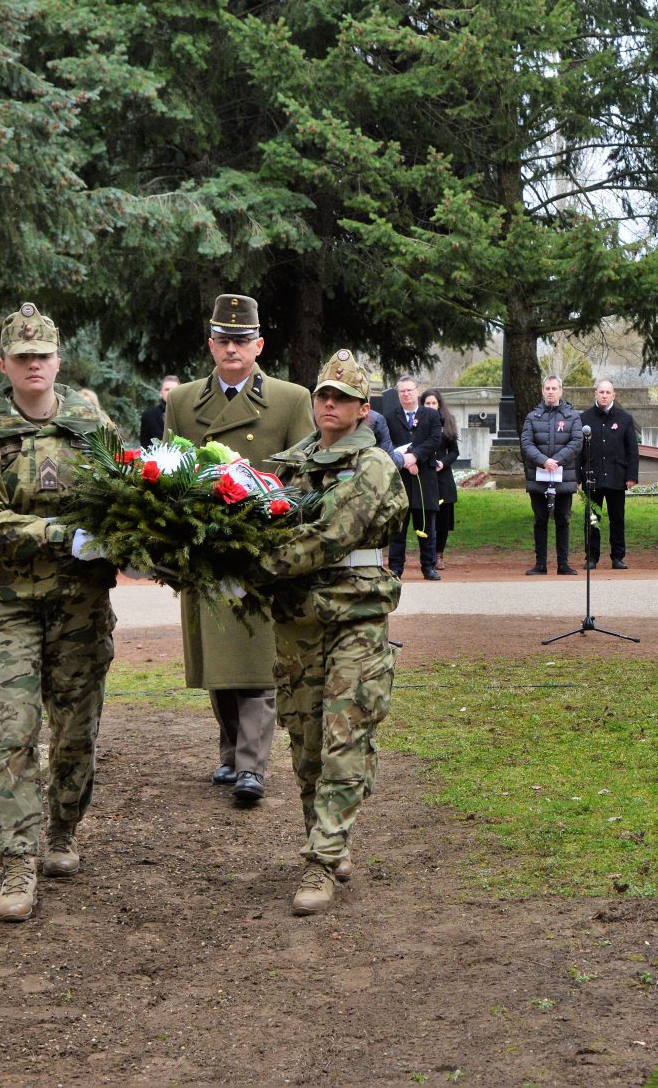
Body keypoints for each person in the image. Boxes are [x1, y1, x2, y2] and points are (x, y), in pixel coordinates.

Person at [0, 304, 119, 922]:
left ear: (57, 360)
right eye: (22, 358)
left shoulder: (92, 422)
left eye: (42, 355)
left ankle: (64, 830)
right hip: (9, 606)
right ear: (4, 365)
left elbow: (128, 491)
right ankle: (17, 863)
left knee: (77, 731)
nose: (34, 365)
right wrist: (51, 532)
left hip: (80, 606)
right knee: (15, 732)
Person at [251, 350, 408, 915]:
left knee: (345, 737)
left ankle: (321, 860)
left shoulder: (373, 467)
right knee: (306, 744)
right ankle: (328, 836)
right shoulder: (288, 464)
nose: (329, 404)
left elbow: (328, 535)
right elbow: (253, 510)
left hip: (355, 616)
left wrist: (253, 562)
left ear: (364, 409)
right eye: (322, 395)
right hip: (298, 619)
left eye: (342, 397)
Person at [165, 293, 314, 807]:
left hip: (260, 547)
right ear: (211, 344)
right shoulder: (182, 401)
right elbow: (170, 473)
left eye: (242, 340)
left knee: (255, 657)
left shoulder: (292, 399)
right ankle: (230, 750)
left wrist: (269, 507)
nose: (233, 348)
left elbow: (302, 475)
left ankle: (252, 765)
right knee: (219, 660)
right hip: (206, 548)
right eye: (224, 340)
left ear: (259, 345)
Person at [520, 375, 581, 576]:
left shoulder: (572, 416)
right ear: (542, 390)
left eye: (554, 388)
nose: (551, 392)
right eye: (547, 388)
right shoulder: (532, 417)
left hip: (564, 476)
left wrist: (556, 461)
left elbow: (576, 442)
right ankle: (540, 564)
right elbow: (527, 443)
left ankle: (563, 564)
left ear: (561, 391)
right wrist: (543, 461)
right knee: (540, 519)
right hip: (539, 475)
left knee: (563, 519)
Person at [385, 375, 444, 581]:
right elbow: (386, 444)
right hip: (400, 478)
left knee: (426, 524)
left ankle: (428, 566)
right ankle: (395, 568)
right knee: (398, 527)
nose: (406, 394)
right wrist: (404, 461)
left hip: (424, 476)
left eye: (409, 390)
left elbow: (435, 440)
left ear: (417, 391)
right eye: (402, 391)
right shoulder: (390, 417)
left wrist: (415, 456)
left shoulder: (431, 415)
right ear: (398, 393)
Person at [579, 380, 640, 569]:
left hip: (616, 476)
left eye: (608, 392)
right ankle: (591, 557)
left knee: (617, 519)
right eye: (601, 392)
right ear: (595, 394)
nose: (604, 395)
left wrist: (631, 476)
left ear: (614, 395)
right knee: (592, 519)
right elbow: (578, 450)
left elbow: (632, 450)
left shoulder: (624, 418)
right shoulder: (584, 419)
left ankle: (618, 557)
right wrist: (577, 478)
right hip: (592, 476)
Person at [420, 390, 460, 571]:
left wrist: (442, 463)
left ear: (439, 405)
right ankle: (427, 554)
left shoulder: (448, 423)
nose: (430, 407)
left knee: (443, 519)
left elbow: (454, 452)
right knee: (426, 518)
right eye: (427, 404)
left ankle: (439, 554)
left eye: (433, 403)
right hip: (424, 476)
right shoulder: (418, 423)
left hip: (442, 477)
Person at [138, 374, 179, 445]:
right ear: (160, 393)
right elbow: (144, 445)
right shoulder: (148, 415)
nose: (170, 392)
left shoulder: (188, 415)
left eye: (174, 389)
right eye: (167, 389)